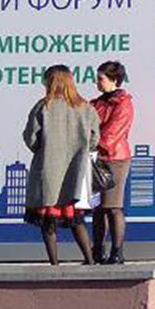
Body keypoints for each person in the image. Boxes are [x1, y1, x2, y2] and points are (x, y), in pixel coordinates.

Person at [23, 65, 100, 266]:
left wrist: (43, 149)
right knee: (77, 221)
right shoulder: (86, 108)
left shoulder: (43, 107)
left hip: (49, 170)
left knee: (48, 222)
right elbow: (94, 140)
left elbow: (31, 138)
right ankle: (90, 260)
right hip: (77, 172)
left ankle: (54, 264)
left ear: (50, 82)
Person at [89, 62, 134, 265]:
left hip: (115, 159)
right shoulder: (97, 103)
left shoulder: (123, 103)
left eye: (101, 79)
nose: (97, 83)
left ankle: (117, 251)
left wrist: (93, 143)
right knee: (98, 209)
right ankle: (98, 251)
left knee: (113, 207)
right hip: (97, 159)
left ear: (114, 80)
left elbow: (113, 132)